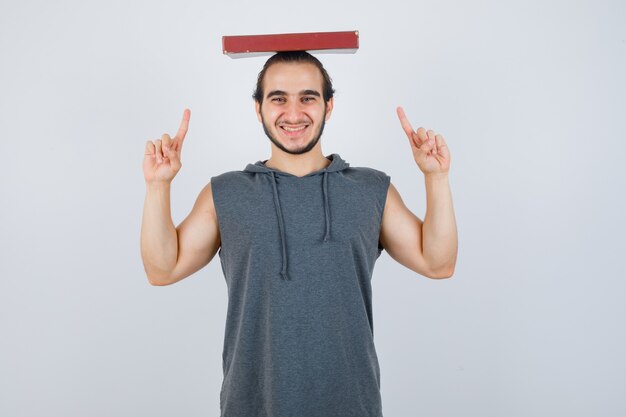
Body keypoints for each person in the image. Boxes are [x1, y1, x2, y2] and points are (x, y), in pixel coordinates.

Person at [141, 51, 457, 417]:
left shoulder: (371, 189)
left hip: (351, 406)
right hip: (253, 406)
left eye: (308, 97)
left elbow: (438, 263)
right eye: (278, 99)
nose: (293, 113)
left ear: (329, 106)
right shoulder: (225, 193)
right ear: (258, 108)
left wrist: (436, 178)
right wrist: (157, 187)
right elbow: (162, 270)